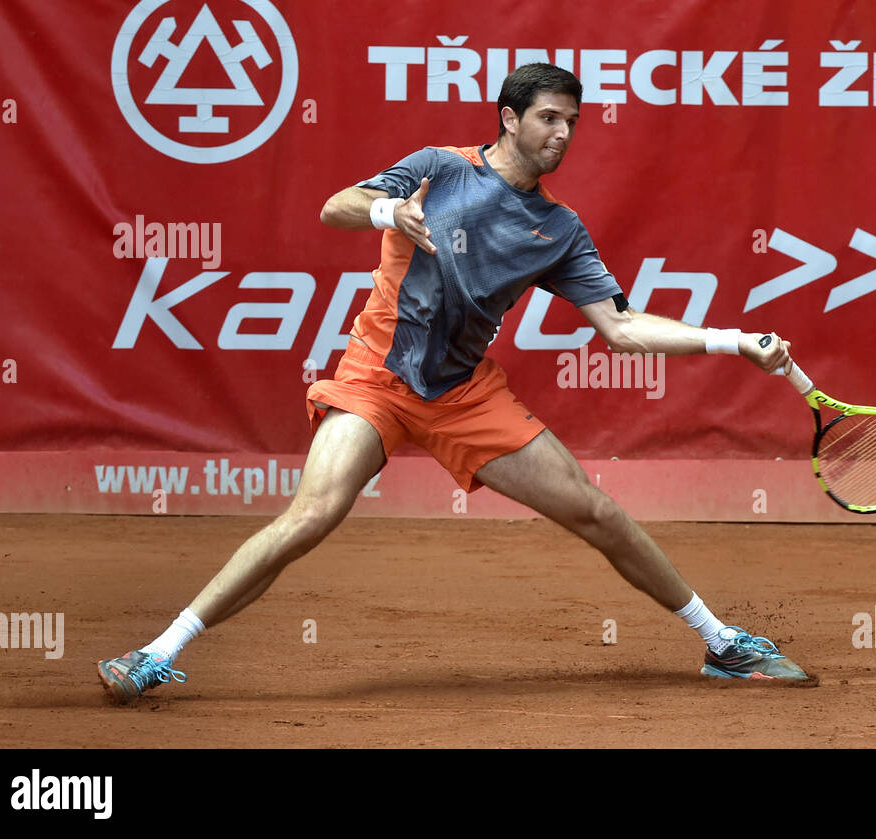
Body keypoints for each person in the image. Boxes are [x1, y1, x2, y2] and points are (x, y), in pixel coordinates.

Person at [96, 63, 811, 702]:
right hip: (375, 378)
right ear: (509, 117)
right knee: (310, 516)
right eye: (548, 118)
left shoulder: (558, 228)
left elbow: (621, 328)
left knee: (596, 512)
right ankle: (159, 651)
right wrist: (388, 210)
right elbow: (335, 205)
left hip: (464, 395)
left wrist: (732, 340)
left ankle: (722, 643)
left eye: (572, 121)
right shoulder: (437, 166)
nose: (563, 133)